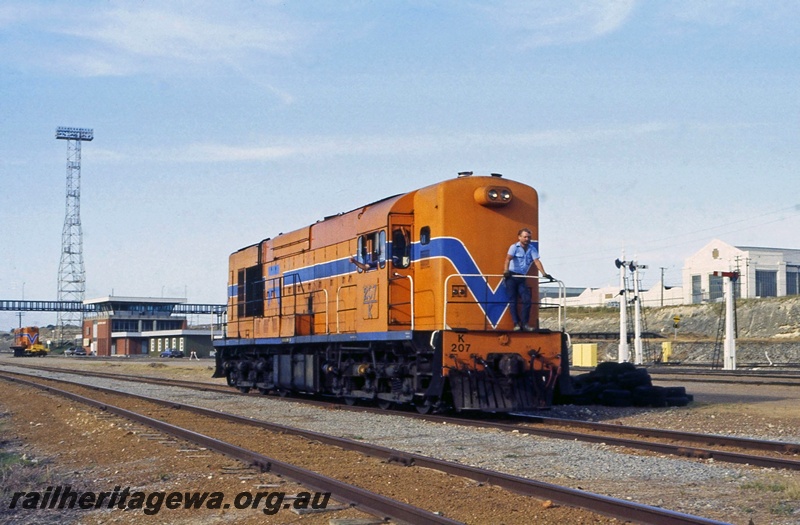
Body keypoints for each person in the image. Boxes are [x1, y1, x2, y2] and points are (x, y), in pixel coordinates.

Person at [503, 228, 554, 331]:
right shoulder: (514, 247)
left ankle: (525, 324)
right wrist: (506, 271)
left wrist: (544, 274)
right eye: (525, 237)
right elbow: (508, 259)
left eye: (529, 237)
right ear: (519, 237)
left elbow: (537, 261)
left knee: (527, 300)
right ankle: (516, 324)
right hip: (511, 277)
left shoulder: (532, 249)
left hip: (522, 277)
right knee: (513, 300)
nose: (527, 239)